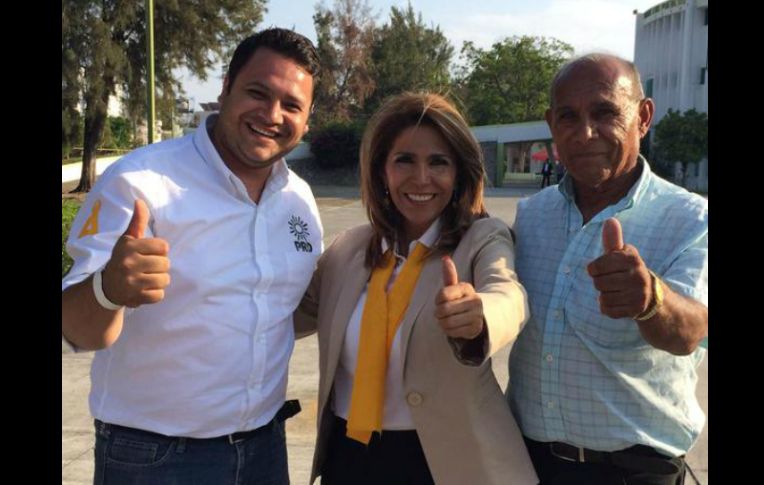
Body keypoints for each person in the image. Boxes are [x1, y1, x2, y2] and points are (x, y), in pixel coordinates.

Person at [61, 28, 323, 484]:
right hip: (155, 458)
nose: (272, 115)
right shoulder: (140, 182)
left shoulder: (298, 199)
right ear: (225, 89)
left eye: (291, 105)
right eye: (257, 93)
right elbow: (74, 330)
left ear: (307, 118)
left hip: (264, 450)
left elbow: (281, 313)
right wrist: (108, 289)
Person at [295, 92, 538, 485]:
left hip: (446, 465)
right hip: (349, 460)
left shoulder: (481, 238)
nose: (421, 178)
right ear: (381, 172)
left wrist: (480, 316)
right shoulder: (348, 250)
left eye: (438, 162)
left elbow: (506, 293)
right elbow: (279, 311)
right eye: (404, 160)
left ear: (459, 173)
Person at [506, 53, 708, 485]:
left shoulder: (691, 219)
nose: (585, 133)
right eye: (568, 117)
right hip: (526, 462)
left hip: (633, 471)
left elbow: (690, 331)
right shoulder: (531, 216)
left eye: (605, 112)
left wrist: (651, 300)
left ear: (644, 116)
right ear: (551, 124)